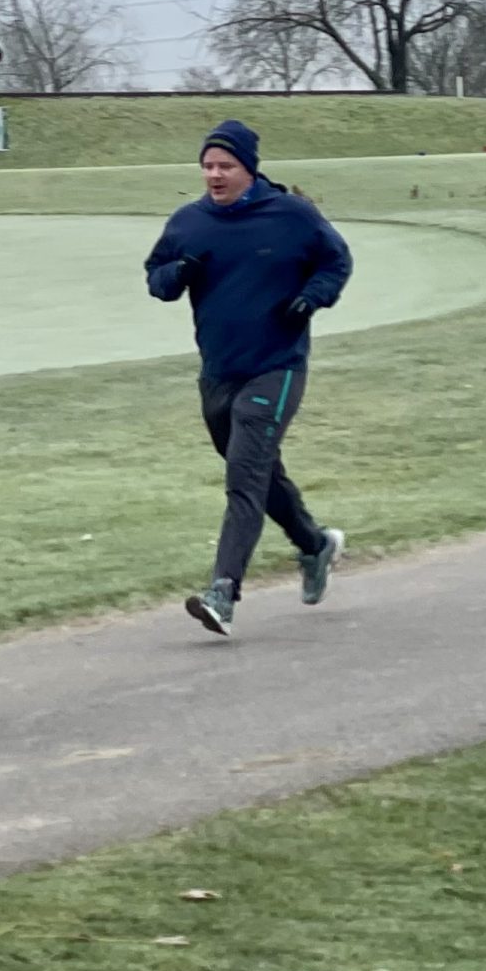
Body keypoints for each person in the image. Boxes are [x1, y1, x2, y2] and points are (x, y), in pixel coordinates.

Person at [144, 118, 352, 635]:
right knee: (260, 474)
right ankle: (315, 544)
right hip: (218, 372)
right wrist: (180, 272)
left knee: (243, 478)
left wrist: (312, 297)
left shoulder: (291, 214)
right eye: (207, 166)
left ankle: (223, 591)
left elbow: (336, 261)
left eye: (226, 166)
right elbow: (157, 280)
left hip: (276, 367)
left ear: (249, 170)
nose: (214, 175)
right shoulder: (189, 222)